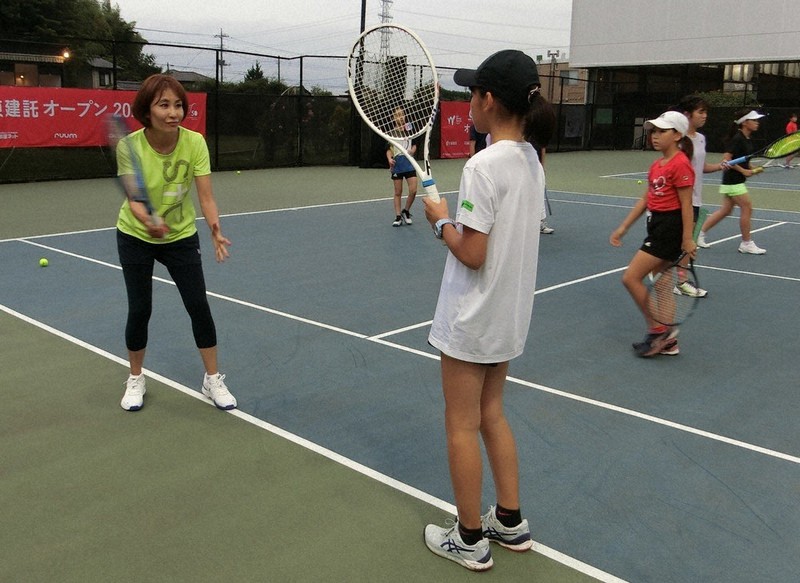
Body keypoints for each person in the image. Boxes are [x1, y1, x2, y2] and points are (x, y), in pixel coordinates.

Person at [421, 49, 555, 571]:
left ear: (488, 100)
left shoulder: (482, 165)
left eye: (472, 92)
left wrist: (438, 220)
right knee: (491, 413)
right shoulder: (529, 160)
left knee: (460, 423)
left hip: (472, 318)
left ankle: (471, 536)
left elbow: (472, 252)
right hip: (508, 316)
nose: (466, 101)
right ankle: (510, 520)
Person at [116, 74, 237, 412]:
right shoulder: (129, 147)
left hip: (181, 236)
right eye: (164, 105)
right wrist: (149, 222)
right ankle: (136, 378)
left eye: (178, 105)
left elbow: (206, 196)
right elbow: (135, 200)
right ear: (148, 109)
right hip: (135, 236)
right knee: (140, 309)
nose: (174, 112)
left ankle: (212, 379)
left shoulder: (195, 143)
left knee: (198, 304)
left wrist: (214, 228)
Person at [609, 111, 696, 357]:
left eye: (662, 131)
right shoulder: (656, 165)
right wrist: (624, 226)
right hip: (656, 224)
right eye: (654, 131)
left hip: (670, 228)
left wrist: (688, 238)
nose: (655, 136)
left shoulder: (681, 163)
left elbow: (687, 204)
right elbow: (646, 199)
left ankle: (657, 329)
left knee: (631, 278)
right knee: (664, 284)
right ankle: (668, 341)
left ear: (677, 135)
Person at [674, 95, 726, 299]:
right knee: (687, 243)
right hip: (681, 200)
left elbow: (701, 168)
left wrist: (720, 166)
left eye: (706, 112)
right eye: (700, 112)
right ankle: (680, 282)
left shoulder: (701, 138)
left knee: (686, 243)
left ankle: (673, 278)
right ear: (688, 114)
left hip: (695, 199)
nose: (705, 116)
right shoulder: (678, 139)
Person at [697, 109, 767, 254]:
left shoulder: (746, 139)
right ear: (745, 122)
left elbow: (743, 162)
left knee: (726, 210)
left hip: (735, 180)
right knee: (747, 208)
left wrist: (753, 169)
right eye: (754, 120)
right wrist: (743, 171)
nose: (757, 122)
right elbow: (726, 161)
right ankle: (746, 243)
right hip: (732, 181)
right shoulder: (737, 138)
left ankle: (699, 233)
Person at [386, 106, 417, 227]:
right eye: (397, 115)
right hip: (397, 164)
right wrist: (389, 159)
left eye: (402, 114)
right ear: (394, 118)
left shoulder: (409, 128)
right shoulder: (391, 133)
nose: (400, 117)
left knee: (413, 190)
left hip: (409, 163)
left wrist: (412, 151)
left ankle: (406, 211)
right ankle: (398, 216)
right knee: (398, 192)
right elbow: (389, 149)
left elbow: (414, 144)